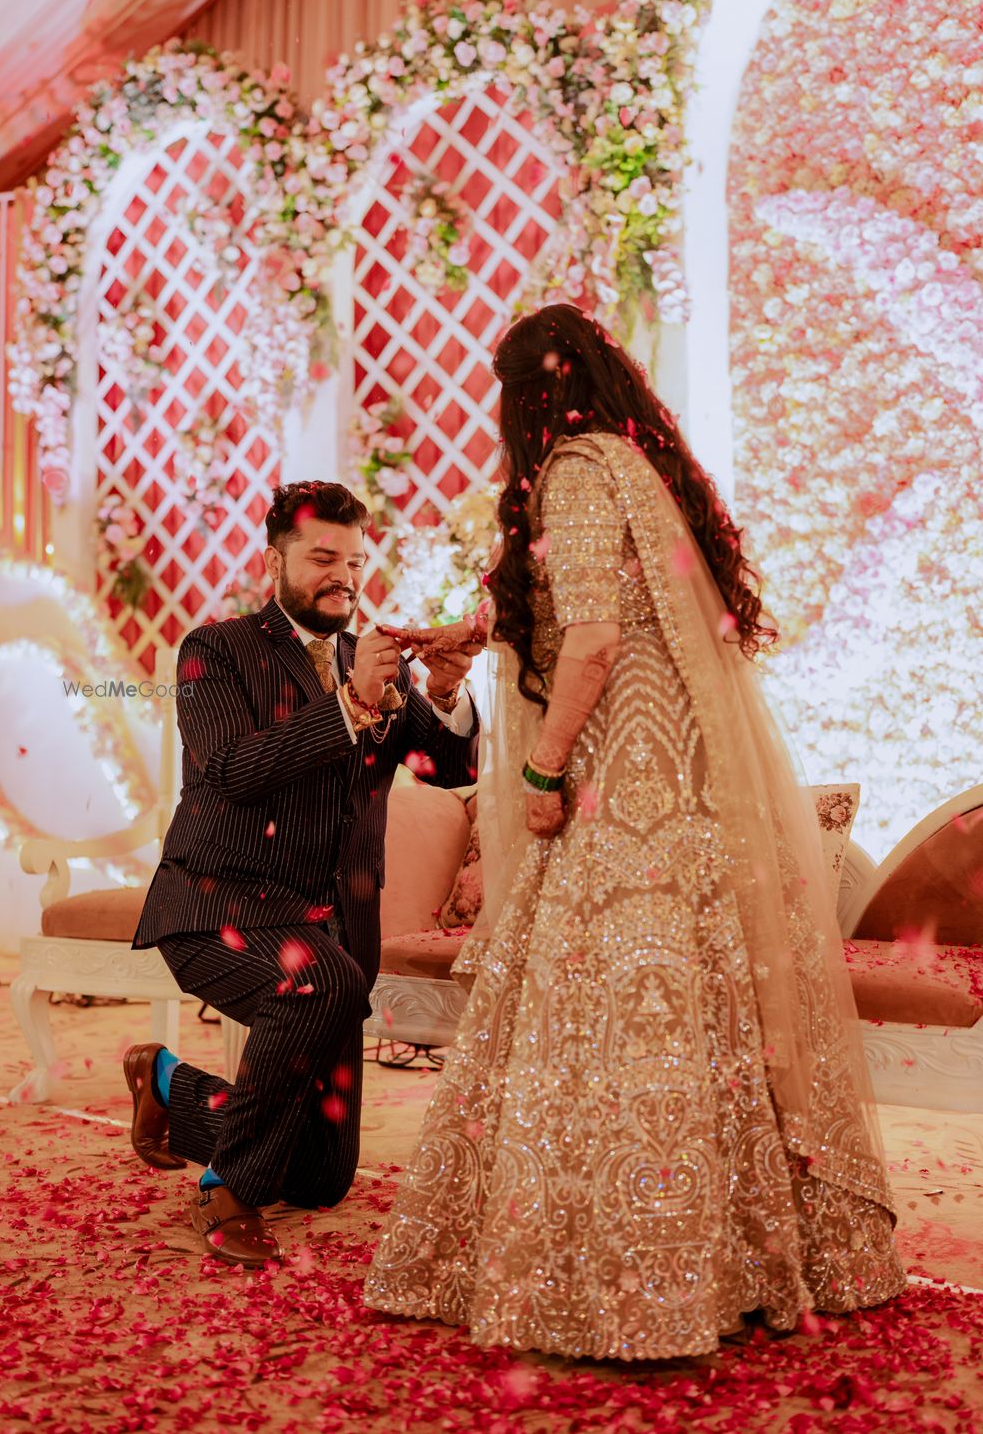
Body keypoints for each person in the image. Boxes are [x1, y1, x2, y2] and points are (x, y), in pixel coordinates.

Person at [363, 304, 905, 1359]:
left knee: (597, 1029)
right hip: (686, 810)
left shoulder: (570, 472)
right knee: (705, 1034)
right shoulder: (637, 466)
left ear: (528, 397)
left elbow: (597, 640)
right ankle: (744, 1265)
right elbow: (610, 608)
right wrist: (476, 631)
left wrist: (540, 768)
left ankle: (619, 1278)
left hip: (618, 805)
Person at [124, 480, 479, 1268]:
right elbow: (232, 772)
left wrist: (445, 687)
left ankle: (167, 1084)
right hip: (217, 907)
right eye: (323, 558)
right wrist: (350, 706)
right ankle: (227, 1189)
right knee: (320, 980)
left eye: (354, 561)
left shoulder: (371, 662)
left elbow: (450, 767)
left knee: (321, 1178)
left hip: (332, 933)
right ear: (273, 561)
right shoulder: (215, 650)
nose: (343, 577)